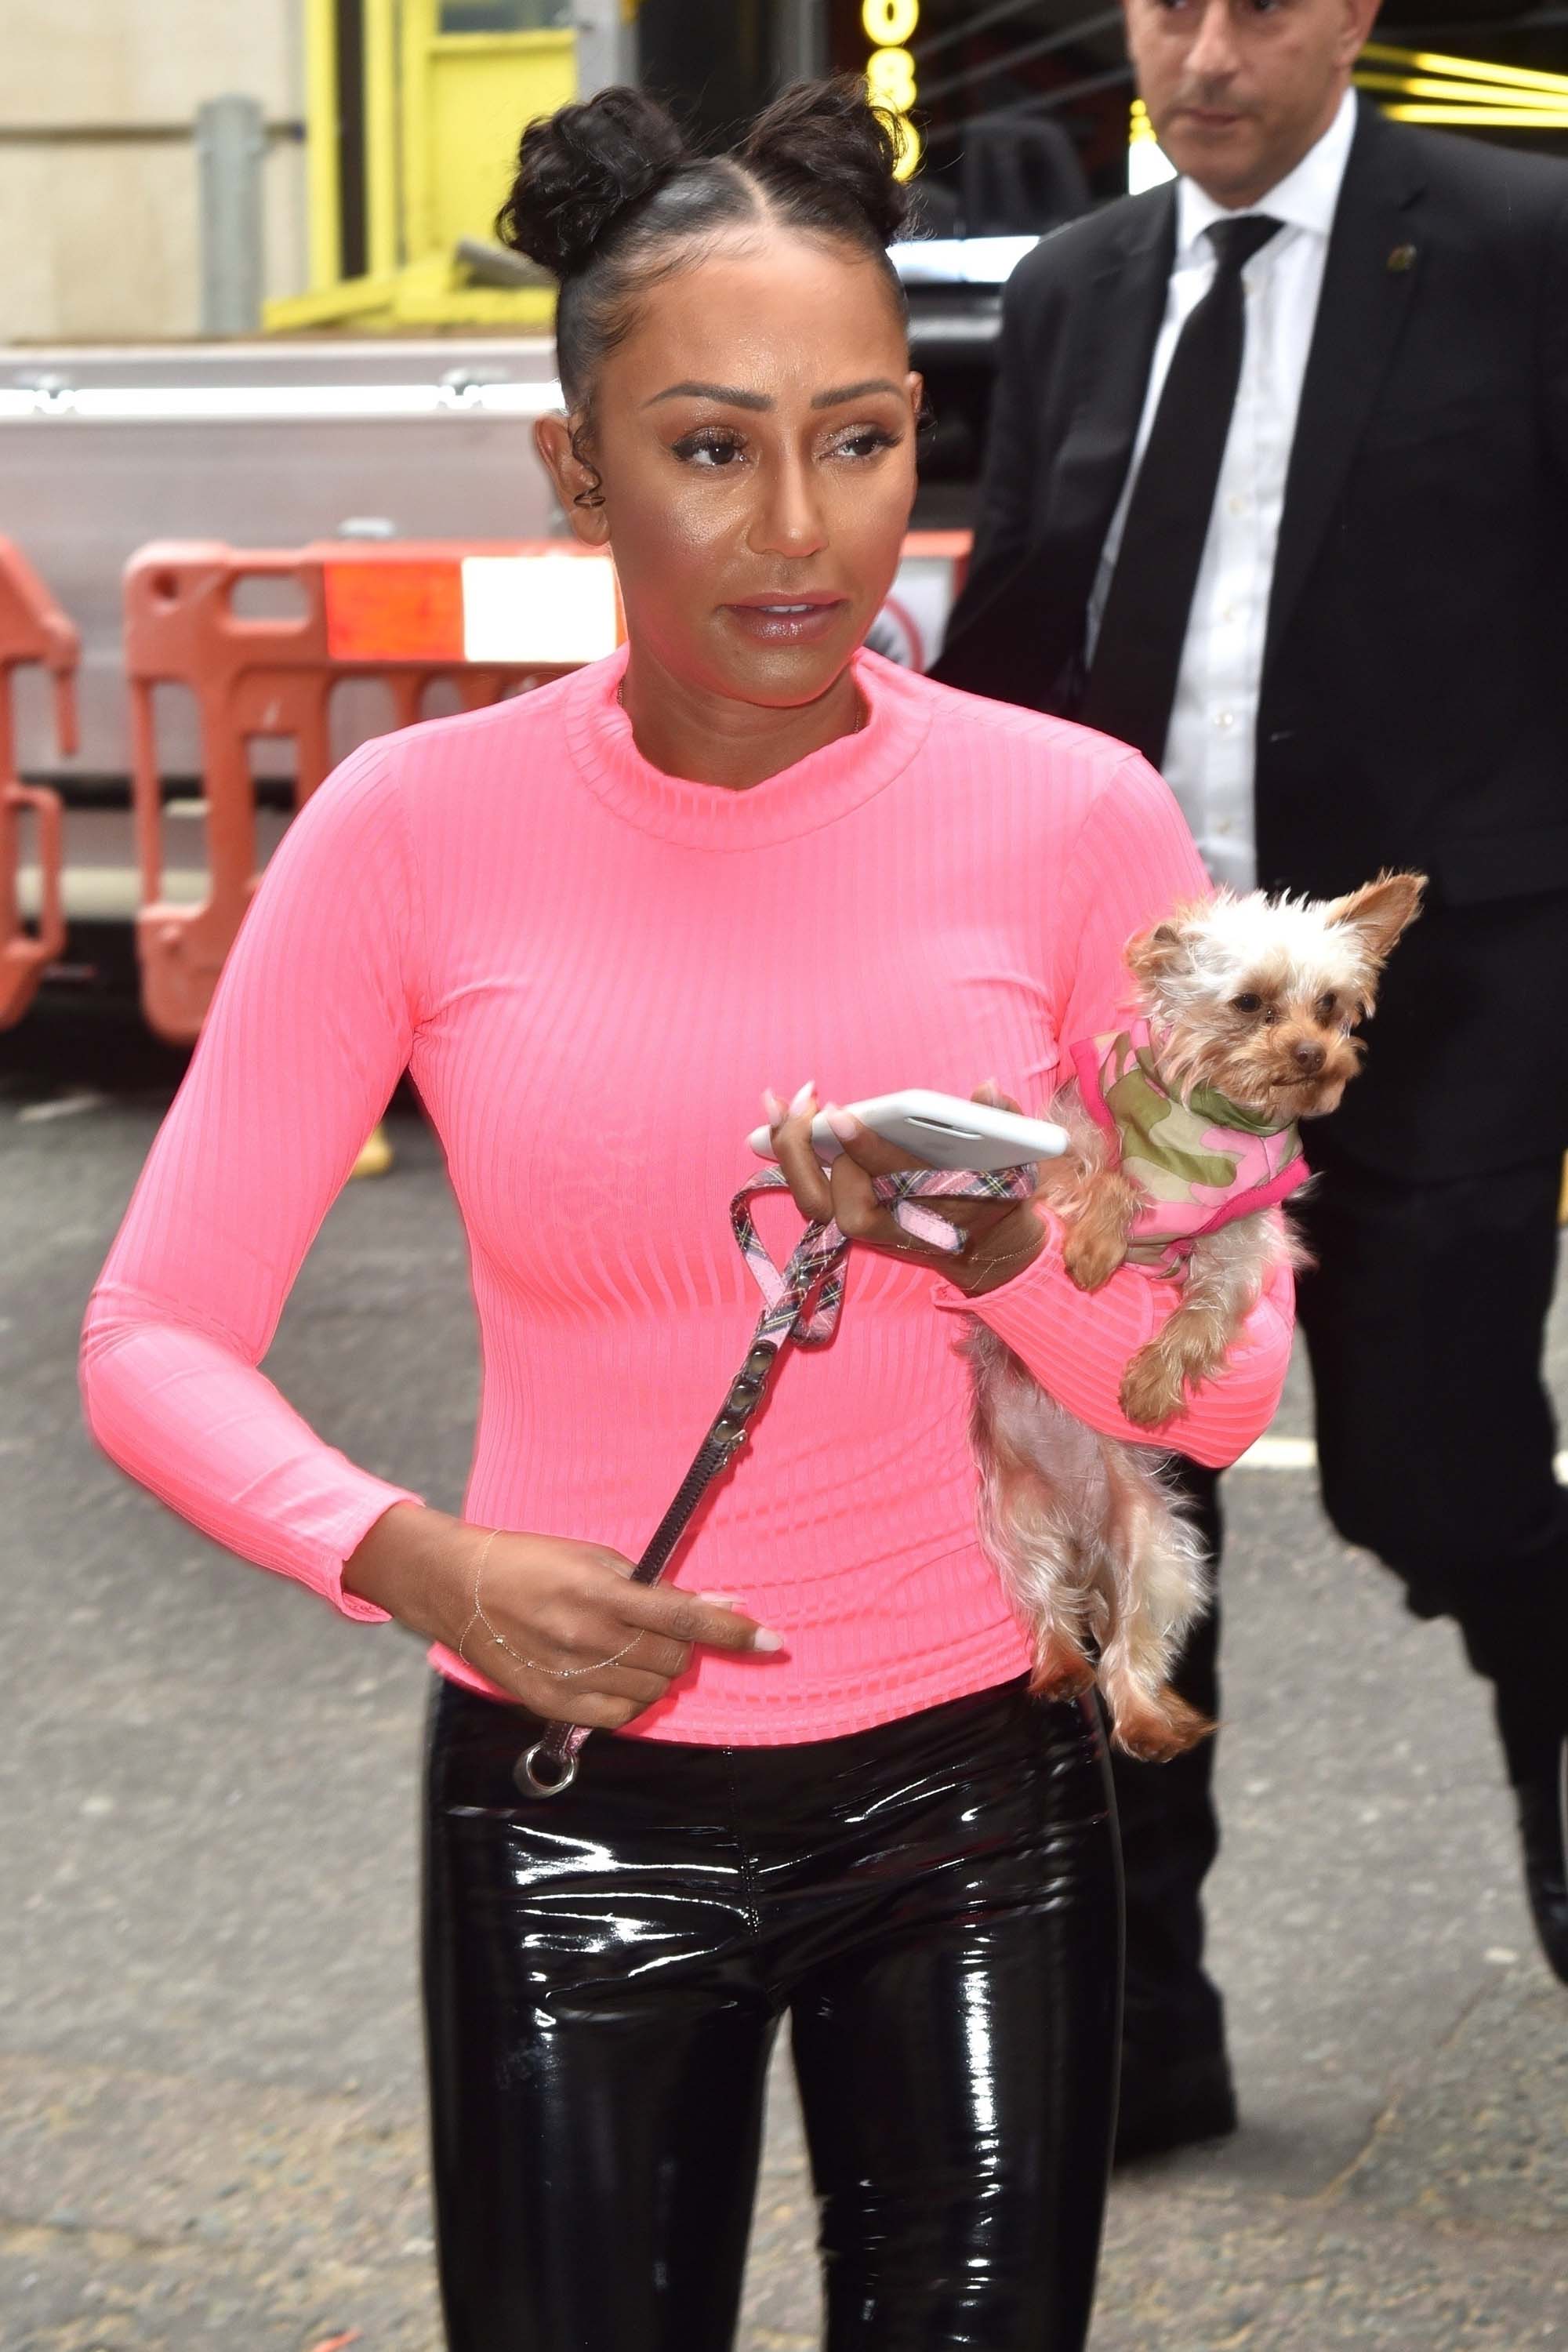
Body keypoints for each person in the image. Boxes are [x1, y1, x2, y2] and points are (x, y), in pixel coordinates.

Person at [78, 81, 1292, 2351]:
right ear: (579, 471)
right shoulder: (412, 829)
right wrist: (411, 1559)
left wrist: (1003, 1254)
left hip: (977, 1802)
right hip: (565, 1802)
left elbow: (1222, 1393)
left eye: (863, 440)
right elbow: (150, 1334)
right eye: (713, 449)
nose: (801, 530)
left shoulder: (1078, 820)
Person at [933, 0, 1568, 2159]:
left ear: (1356, 11)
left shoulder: (1516, 243)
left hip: (1429, 1010)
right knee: (1134, 1501)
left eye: (1258, 3)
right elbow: (1018, 634)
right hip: (1144, 1041)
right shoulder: (1073, 284)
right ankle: (1143, 2033)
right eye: (1164, 4)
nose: (1203, 50)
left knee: (1432, 1477)